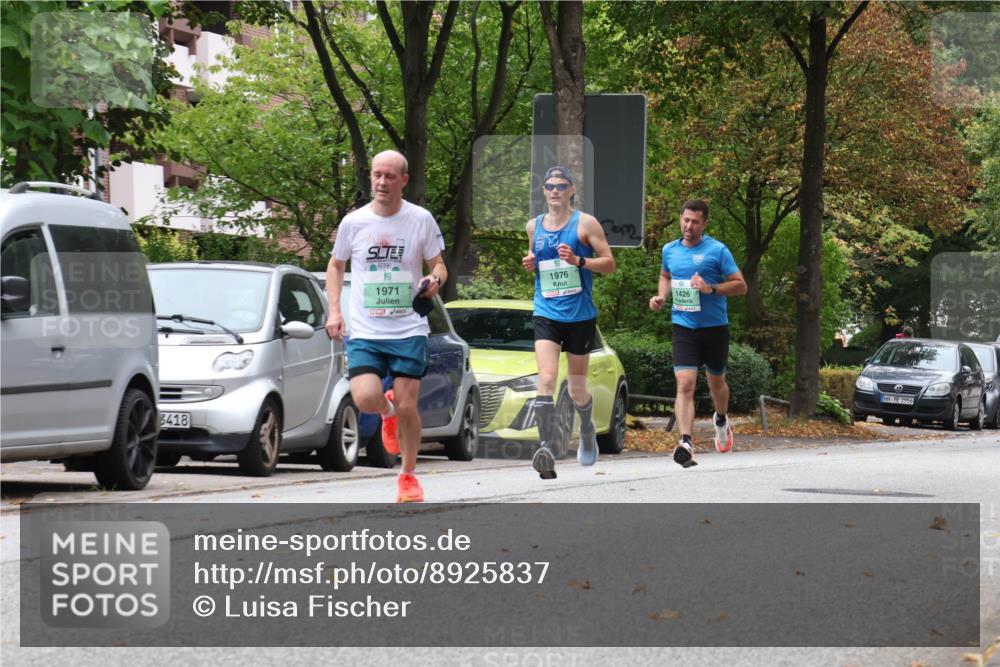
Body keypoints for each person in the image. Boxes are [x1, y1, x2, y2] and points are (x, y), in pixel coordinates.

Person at [326, 150, 447, 502]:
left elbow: (439, 265)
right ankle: (385, 412)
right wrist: (335, 310)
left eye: (390, 176)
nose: (381, 182)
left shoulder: (420, 220)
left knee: (410, 404)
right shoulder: (354, 223)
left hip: (408, 327)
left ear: (403, 181)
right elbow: (336, 266)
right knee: (364, 399)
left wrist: (434, 280)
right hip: (365, 329)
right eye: (377, 175)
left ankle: (407, 476)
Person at [521, 166, 616, 479]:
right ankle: (545, 447)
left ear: (572, 190)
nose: (555, 191)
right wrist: (530, 263)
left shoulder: (585, 224)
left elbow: (610, 264)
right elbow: (538, 263)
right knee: (546, 379)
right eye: (550, 186)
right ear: (543, 190)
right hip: (546, 311)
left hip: (579, 316)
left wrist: (578, 261)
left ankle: (587, 428)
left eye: (561, 186)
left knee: (576, 389)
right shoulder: (533, 226)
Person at [649, 199, 747, 468]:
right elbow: (665, 275)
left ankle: (721, 419)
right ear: (680, 218)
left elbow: (741, 286)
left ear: (704, 223)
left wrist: (711, 288)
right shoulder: (670, 250)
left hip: (714, 328)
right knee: (685, 384)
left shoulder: (717, 251)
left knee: (717, 383)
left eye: (694, 221)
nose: (688, 226)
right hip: (683, 327)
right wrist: (660, 296)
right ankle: (686, 442)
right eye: (685, 220)